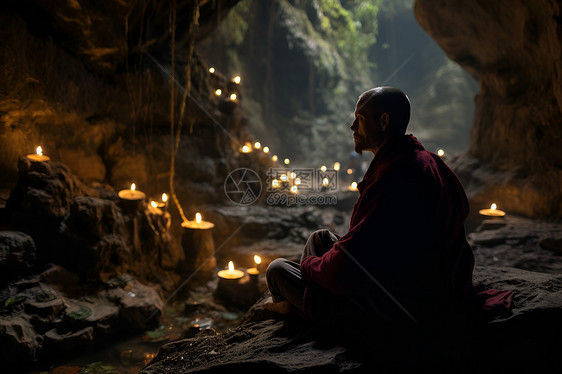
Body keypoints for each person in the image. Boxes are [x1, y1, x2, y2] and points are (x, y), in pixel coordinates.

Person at [264, 86, 512, 328]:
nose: (352, 127)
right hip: (420, 278)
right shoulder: (428, 160)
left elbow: (348, 262)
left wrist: (309, 268)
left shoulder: (395, 176)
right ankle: (311, 304)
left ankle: (315, 312)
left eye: (359, 119)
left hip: (403, 301)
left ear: (383, 122)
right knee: (319, 239)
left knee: (277, 270)